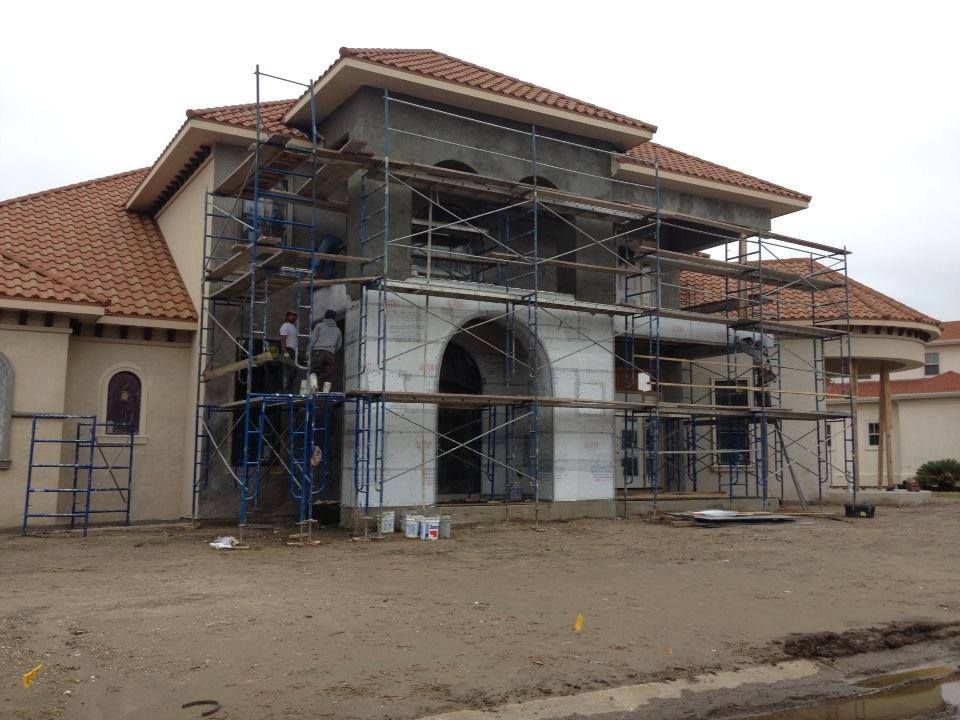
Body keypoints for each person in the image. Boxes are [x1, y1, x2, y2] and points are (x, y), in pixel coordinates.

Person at [310, 309, 342, 390]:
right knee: (328, 376)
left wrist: (308, 351)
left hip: (318, 352)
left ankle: (314, 388)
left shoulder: (319, 326)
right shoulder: (337, 330)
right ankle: (325, 393)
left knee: (313, 371)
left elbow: (312, 340)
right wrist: (332, 351)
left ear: (325, 316)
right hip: (330, 355)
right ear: (334, 318)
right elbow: (339, 345)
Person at [278, 310, 300, 393]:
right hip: (288, 350)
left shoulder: (293, 327)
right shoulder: (285, 326)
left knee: (293, 372)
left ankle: (288, 390)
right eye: (291, 315)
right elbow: (282, 339)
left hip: (293, 351)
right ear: (287, 316)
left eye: (295, 315)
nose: (294, 317)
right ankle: (285, 391)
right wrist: (285, 351)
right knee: (286, 371)